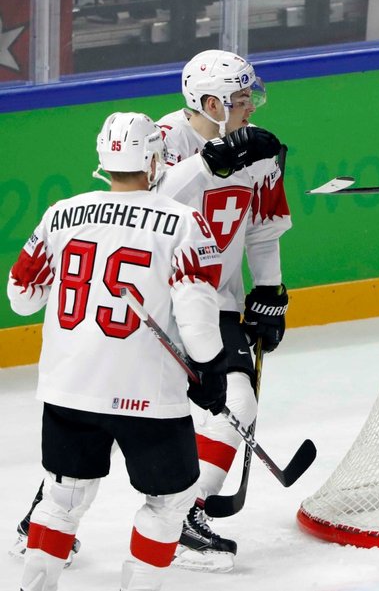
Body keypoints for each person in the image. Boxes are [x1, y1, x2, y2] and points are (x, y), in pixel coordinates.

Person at [7, 112, 228, 591]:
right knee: (169, 503)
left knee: (62, 499)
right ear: (154, 160)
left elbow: (21, 297)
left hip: (69, 389)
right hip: (146, 395)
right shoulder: (184, 222)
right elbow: (196, 320)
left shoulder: (61, 213)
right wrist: (210, 371)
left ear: (103, 160)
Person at [154, 49, 290, 572]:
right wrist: (210, 160)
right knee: (114, 412)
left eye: (249, 98)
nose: (249, 109)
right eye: (238, 101)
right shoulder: (162, 140)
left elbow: (262, 228)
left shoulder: (259, 147)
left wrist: (270, 292)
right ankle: (46, 513)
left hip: (216, 301)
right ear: (209, 103)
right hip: (156, 302)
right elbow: (145, 202)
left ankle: (188, 514)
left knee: (240, 403)